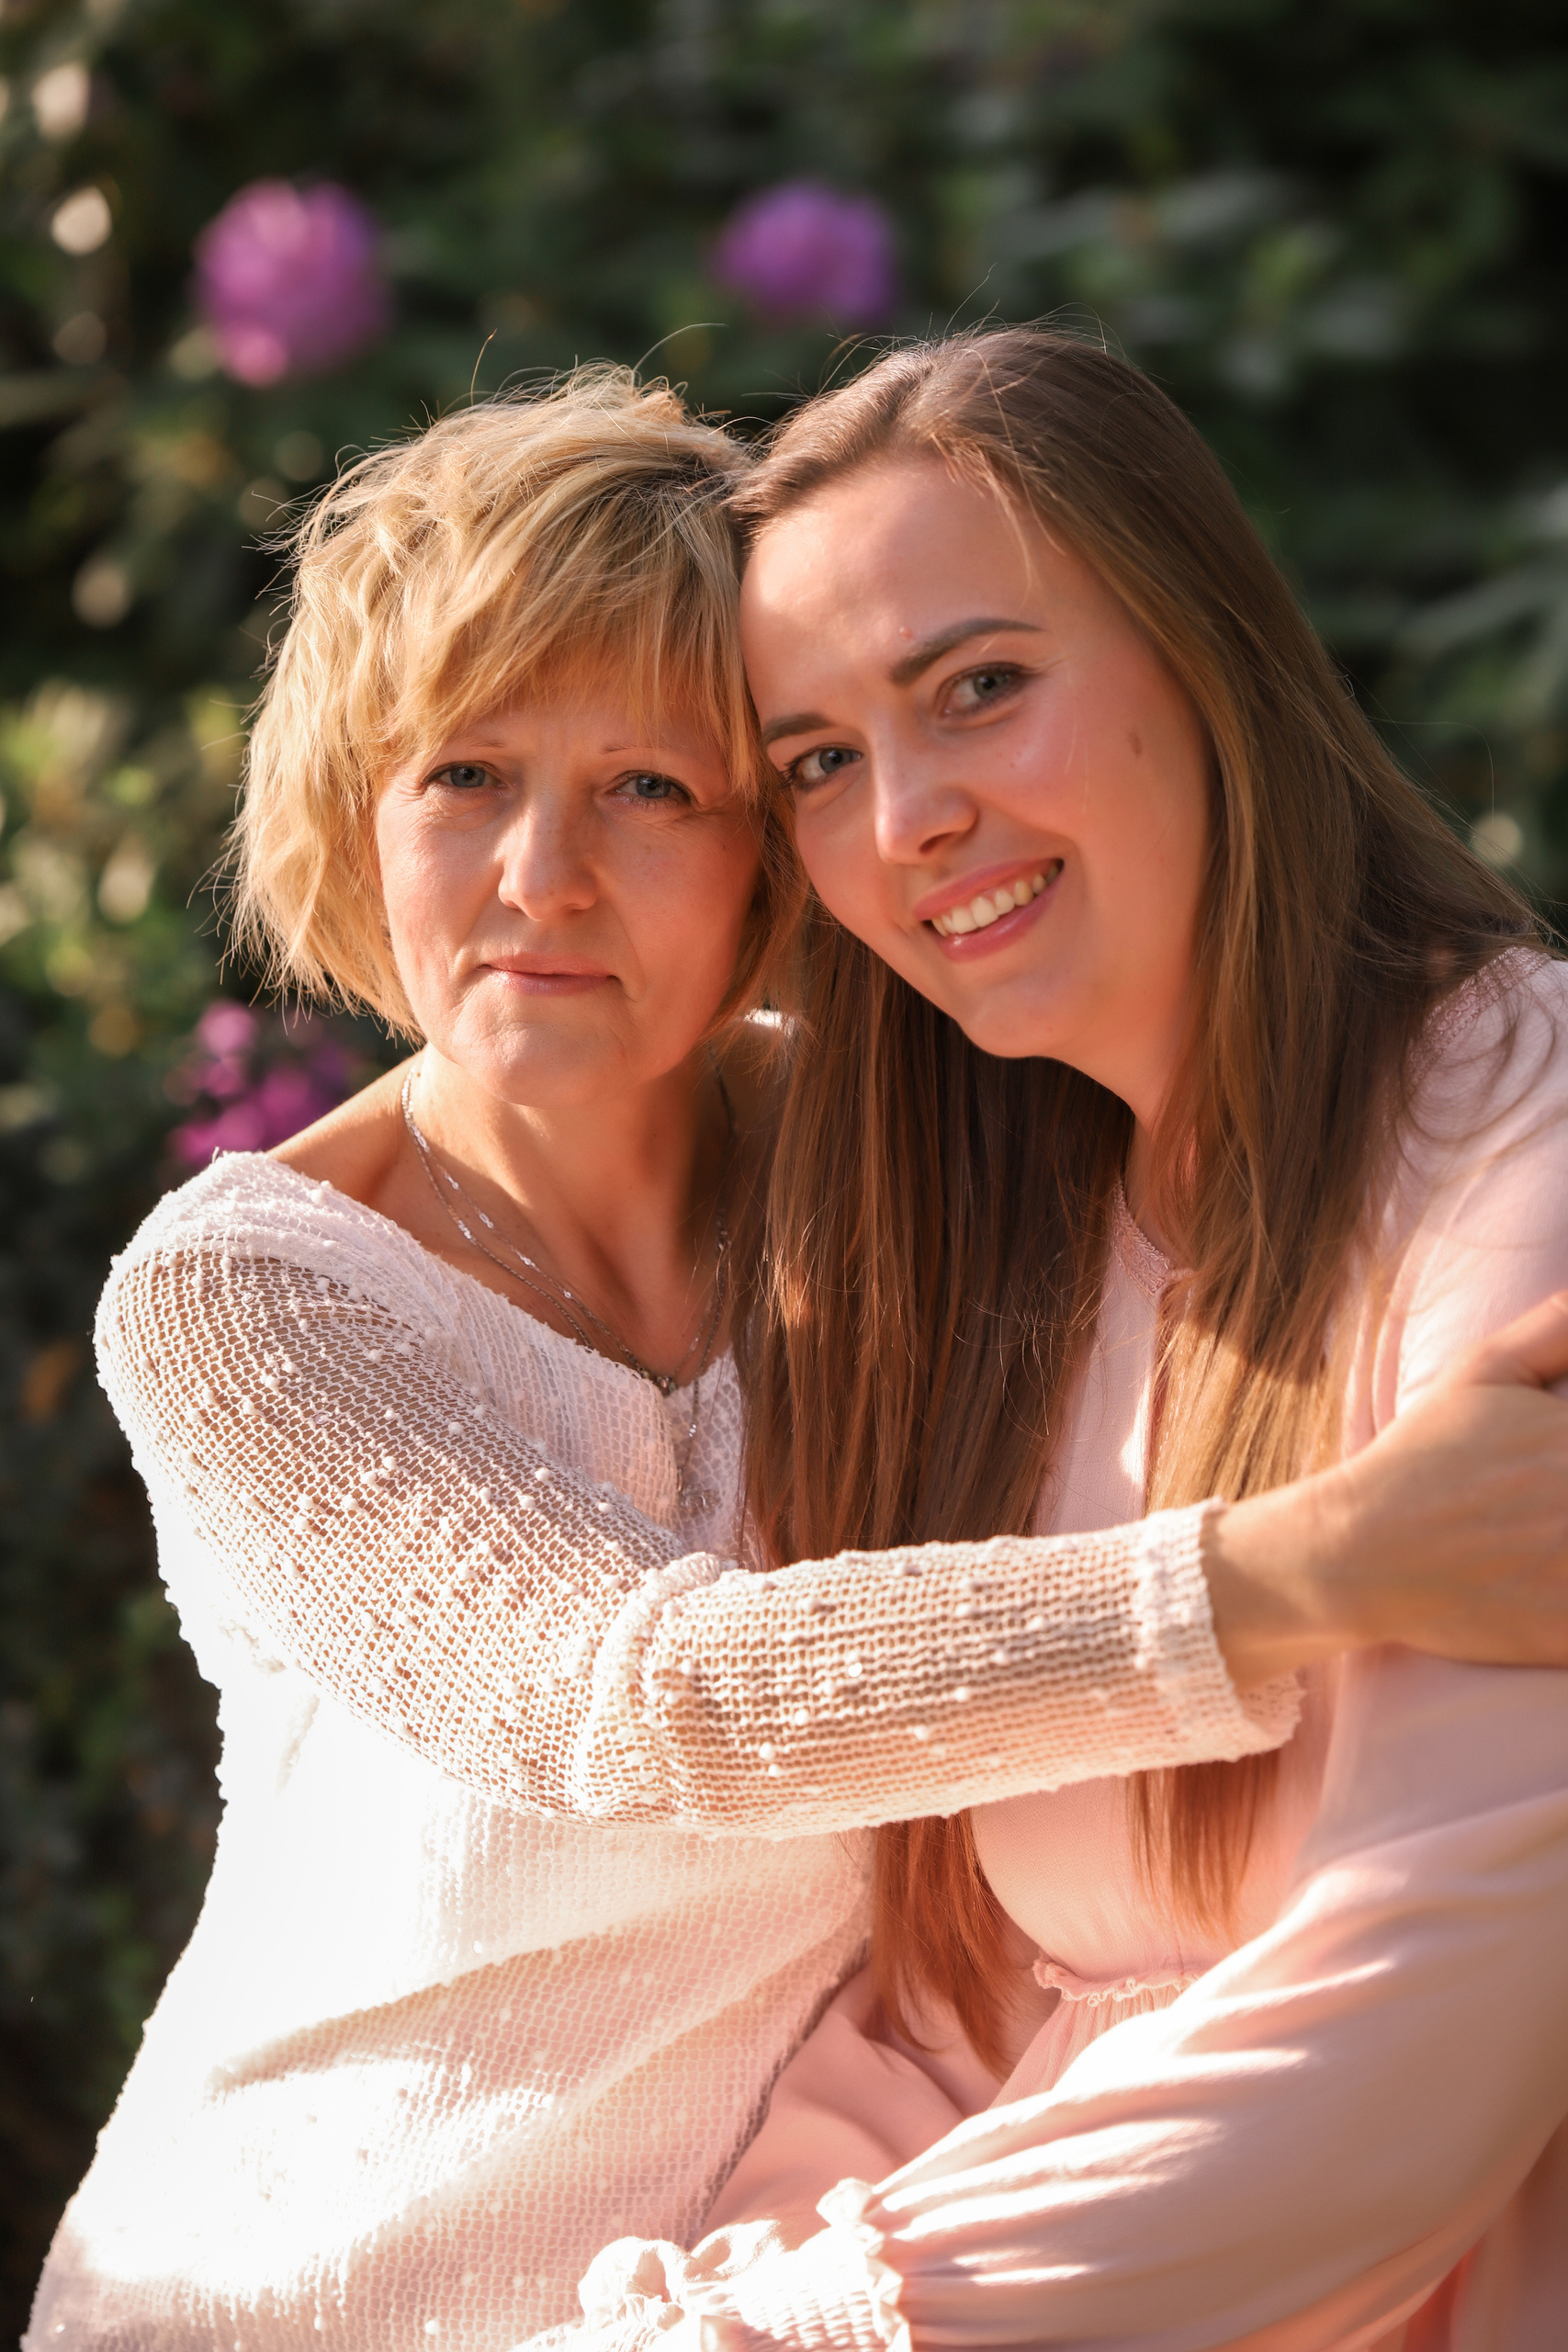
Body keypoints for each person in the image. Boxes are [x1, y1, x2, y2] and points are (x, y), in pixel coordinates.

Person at [25, 367, 1568, 2352]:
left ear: (767, 862)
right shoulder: (251, 1294)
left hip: (731, 2286)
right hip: (303, 2300)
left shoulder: (915, 1178)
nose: (541, 874)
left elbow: (965, 1964)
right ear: (352, 810)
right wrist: (1304, 1565)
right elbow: (638, 1705)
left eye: (653, 788)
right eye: (464, 775)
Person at [581, 329, 1568, 2350]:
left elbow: (1427, 2021)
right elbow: (951, 2006)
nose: (905, 819)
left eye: (979, 689)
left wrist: (793, 2335)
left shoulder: (1517, 1130)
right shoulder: (1012, 1249)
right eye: (820, 762)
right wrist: (749, 2285)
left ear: (1205, 652)